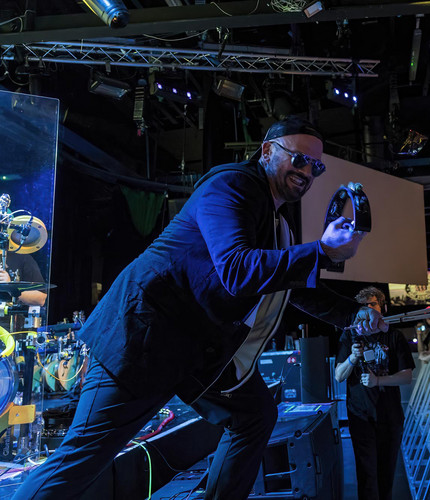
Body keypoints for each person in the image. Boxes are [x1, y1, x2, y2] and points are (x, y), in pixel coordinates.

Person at [13, 116, 386, 500]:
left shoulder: (276, 221)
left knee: (254, 415)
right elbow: (238, 271)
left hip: (190, 350)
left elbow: (289, 284)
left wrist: (352, 314)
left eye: (316, 166)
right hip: (141, 339)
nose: (307, 172)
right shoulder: (231, 186)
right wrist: (321, 250)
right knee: (82, 458)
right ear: (267, 151)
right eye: (300, 159)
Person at [334, 286, 414, 500]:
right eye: (364, 306)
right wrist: (352, 357)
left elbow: (406, 376)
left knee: (386, 474)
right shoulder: (349, 335)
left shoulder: (394, 336)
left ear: (382, 308)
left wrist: (378, 381)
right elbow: (339, 376)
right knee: (366, 475)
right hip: (360, 415)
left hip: (390, 415)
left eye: (373, 304)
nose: (369, 309)